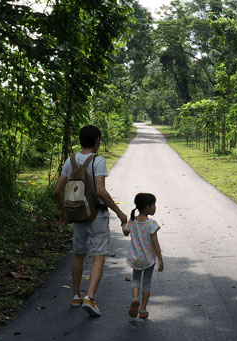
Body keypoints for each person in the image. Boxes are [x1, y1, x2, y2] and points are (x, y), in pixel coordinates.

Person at [54, 125, 128, 317]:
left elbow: (57, 190)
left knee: (78, 254)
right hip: (97, 215)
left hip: (77, 215)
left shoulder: (70, 161)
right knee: (98, 256)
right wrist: (120, 213)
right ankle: (91, 297)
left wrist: (64, 211)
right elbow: (101, 190)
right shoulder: (98, 161)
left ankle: (76, 295)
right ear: (97, 140)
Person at [122, 193, 164, 319]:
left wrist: (123, 224)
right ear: (146, 207)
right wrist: (160, 260)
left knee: (136, 280)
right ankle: (143, 309)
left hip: (135, 258)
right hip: (148, 259)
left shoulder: (132, 221)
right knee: (146, 282)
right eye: (153, 205)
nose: (155, 208)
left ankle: (135, 298)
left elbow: (125, 232)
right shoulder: (151, 223)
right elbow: (155, 243)